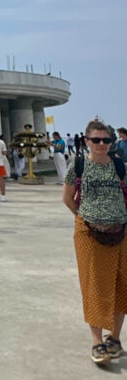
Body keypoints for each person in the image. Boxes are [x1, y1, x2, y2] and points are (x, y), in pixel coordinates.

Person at [63, 119, 127, 364]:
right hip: (89, 232)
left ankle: (115, 338)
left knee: (121, 282)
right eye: (96, 140)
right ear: (87, 141)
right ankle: (97, 341)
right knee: (95, 284)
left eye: (106, 140)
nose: (101, 144)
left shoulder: (120, 166)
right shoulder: (78, 165)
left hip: (121, 231)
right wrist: (86, 218)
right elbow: (68, 198)